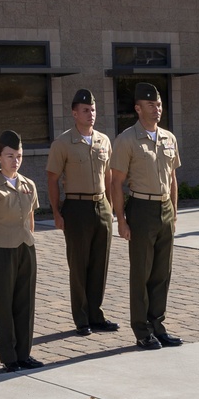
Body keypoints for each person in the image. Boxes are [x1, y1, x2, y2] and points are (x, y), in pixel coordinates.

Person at [111, 82, 183, 351]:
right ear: (138, 108)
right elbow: (115, 182)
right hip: (140, 208)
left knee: (162, 272)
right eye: (151, 105)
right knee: (141, 272)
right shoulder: (127, 139)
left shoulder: (168, 138)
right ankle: (141, 330)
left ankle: (158, 325)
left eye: (160, 104)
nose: (157, 109)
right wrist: (121, 219)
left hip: (164, 209)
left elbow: (173, 178)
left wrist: (174, 212)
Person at [46, 89, 120, 337]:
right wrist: (56, 212)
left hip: (100, 207)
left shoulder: (103, 141)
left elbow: (109, 176)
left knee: (100, 264)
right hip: (76, 207)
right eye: (86, 110)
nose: (91, 114)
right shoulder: (63, 143)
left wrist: (110, 207)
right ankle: (81, 317)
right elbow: (52, 178)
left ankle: (96, 314)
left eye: (93, 110)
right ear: (74, 113)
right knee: (79, 265)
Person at [0, 131, 42, 373]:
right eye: (9, 156)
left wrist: (30, 242)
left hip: (25, 248)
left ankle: (24, 353)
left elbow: (31, 219)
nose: (15, 161)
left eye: (19, 156)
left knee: (25, 303)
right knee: (3, 304)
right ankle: (9, 357)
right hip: (1, 251)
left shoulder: (29, 185)